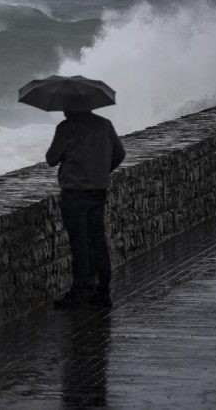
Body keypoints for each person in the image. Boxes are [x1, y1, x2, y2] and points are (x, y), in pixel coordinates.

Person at [46, 109, 125, 307]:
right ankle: (103, 290)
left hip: (74, 192)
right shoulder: (104, 124)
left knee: (79, 241)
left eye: (66, 106)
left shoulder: (66, 128)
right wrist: (101, 171)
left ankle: (79, 290)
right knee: (98, 239)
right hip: (98, 190)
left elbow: (51, 158)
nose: (64, 111)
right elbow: (120, 153)